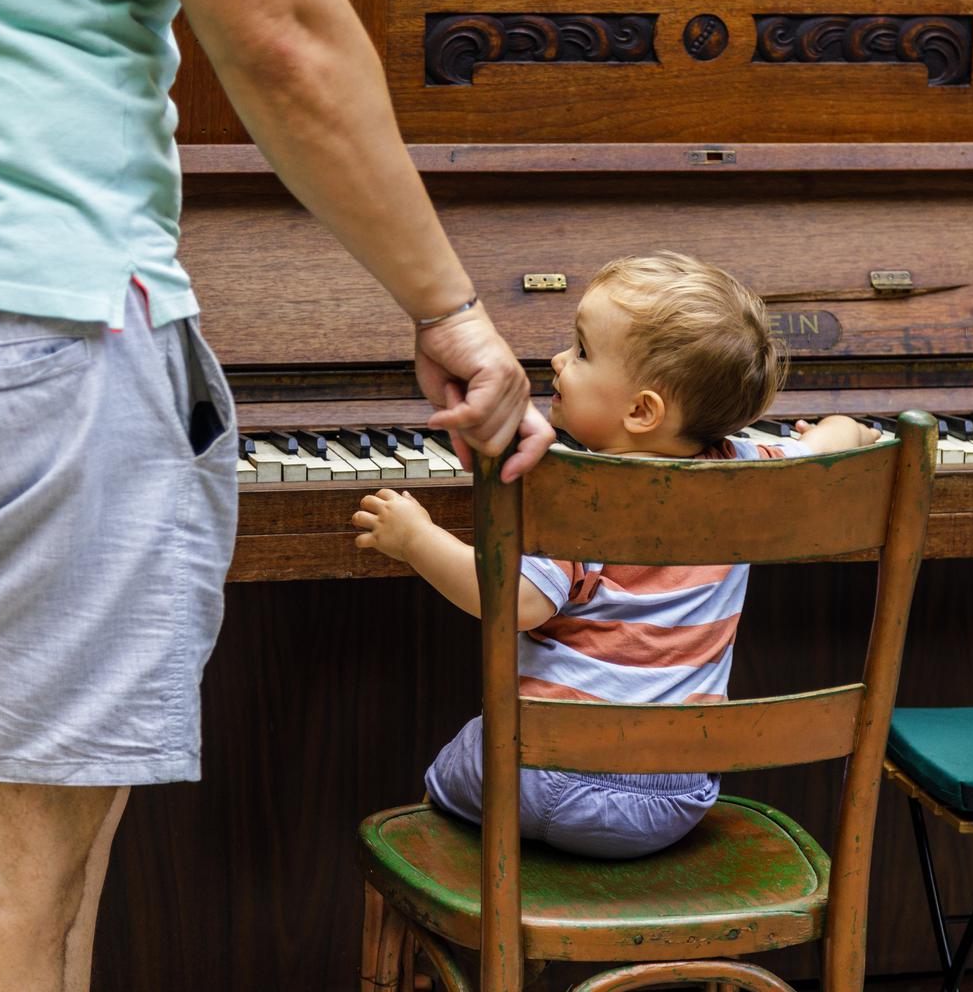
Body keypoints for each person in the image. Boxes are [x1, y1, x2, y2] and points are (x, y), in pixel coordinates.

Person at [0, 0, 549, 989]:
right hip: (30, 317)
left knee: (8, 840)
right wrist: (446, 307)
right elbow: (284, 35)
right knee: (7, 879)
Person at [353, 253, 880, 858]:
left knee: (449, 776)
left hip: (535, 780)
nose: (556, 361)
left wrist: (415, 538)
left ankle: (471, 904)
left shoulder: (584, 499)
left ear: (641, 411)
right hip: (670, 800)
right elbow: (825, 448)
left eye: (580, 353)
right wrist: (847, 430)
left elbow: (516, 602)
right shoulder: (754, 479)